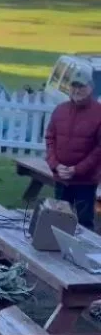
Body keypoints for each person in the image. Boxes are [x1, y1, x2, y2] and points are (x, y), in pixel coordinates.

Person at [45, 64, 101, 230]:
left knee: (83, 223)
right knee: (58, 220)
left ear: (90, 88)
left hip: (85, 181)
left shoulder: (98, 113)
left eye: (81, 86)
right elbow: (50, 140)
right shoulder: (60, 110)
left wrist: (77, 169)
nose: (77, 90)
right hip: (61, 178)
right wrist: (56, 165)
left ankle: (85, 255)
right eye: (74, 86)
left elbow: (99, 149)